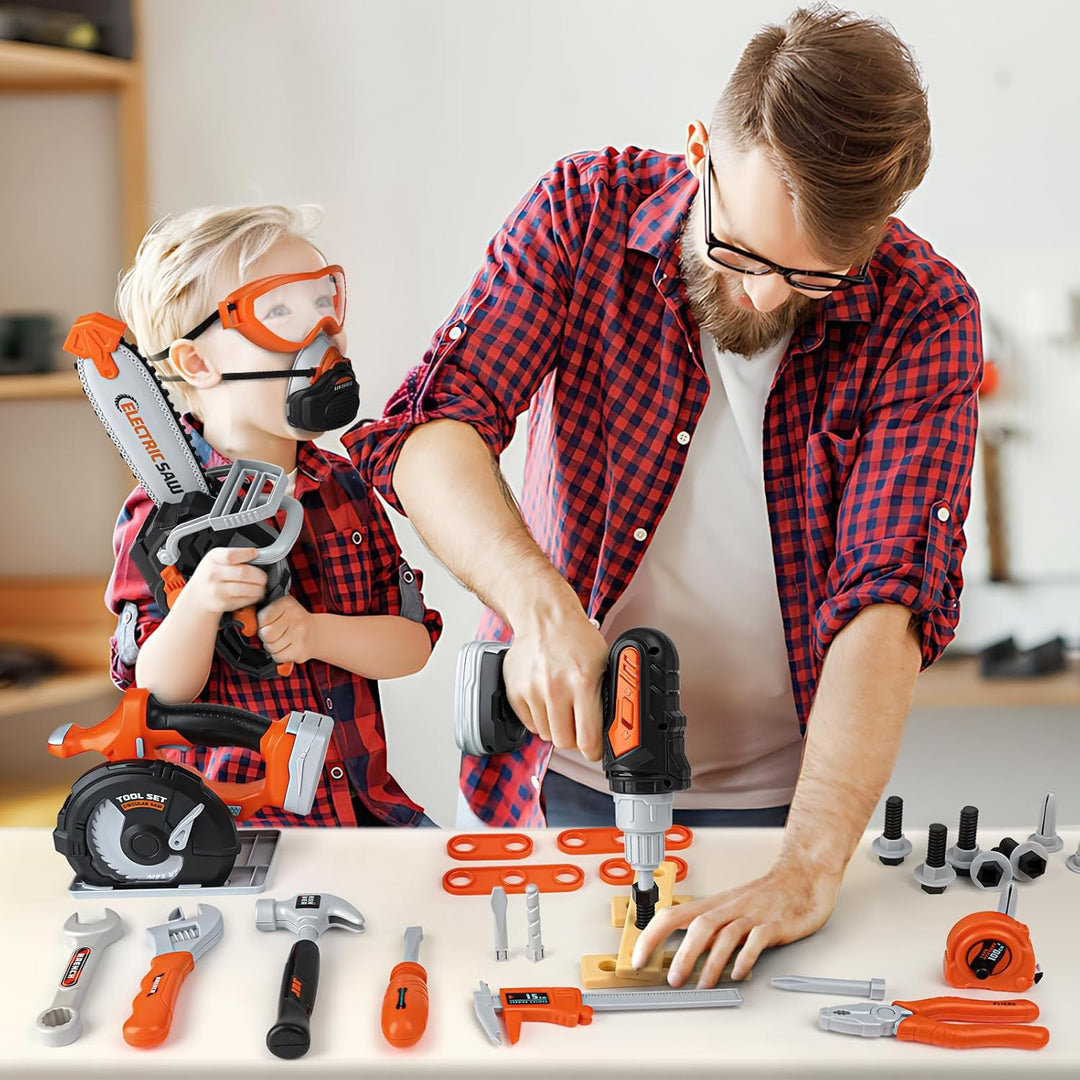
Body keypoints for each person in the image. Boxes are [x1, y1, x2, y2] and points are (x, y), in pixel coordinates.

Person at [348, 6, 981, 976]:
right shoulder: (583, 209)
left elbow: (885, 601)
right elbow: (432, 434)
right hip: (559, 772)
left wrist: (809, 866)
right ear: (700, 153)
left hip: (787, 799)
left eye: (813, 277)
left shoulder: (923, 309)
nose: (767, 297)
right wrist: (538, 607)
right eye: (743, 254)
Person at [106, 204, 443, 827]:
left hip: (364, 814)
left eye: (323, 302)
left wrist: (317, 633)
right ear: (196, 363)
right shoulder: (160, 517)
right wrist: (200, 605)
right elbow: (151, 690)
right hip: (233, 829)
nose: (321, 333)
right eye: (279, 312)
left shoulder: (345, 489)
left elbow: (411, 644)